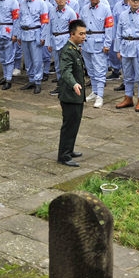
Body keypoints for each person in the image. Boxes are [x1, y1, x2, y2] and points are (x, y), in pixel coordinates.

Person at [57, 19, 88, 167]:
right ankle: (63, 155)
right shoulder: (68, 51)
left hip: (76, 94)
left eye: (84, 33)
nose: (84, 37)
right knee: (69, 124)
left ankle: (69, 149)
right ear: (72, 34)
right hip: (70, 95)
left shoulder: (75, 48)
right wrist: (74, 84)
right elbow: (66, 71)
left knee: (75, 123)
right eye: (81, 34)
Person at [80, 0, 115, 108]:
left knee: (99, 69)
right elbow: (81, 26)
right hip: (86, 41)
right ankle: (94, 91)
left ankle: (100, 95)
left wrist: (107, 44)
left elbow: (109, 28)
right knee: (90, 69)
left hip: (99, 41)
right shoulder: (84, 8)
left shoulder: (105, 9)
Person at [18, 0, 50, 93]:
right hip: (24, 33)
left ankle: (38, 82)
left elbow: (45, 21)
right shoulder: (22, 3)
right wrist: (18, 34)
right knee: (27, 60)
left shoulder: (41, 3)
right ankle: (31, 79)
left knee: (37, 60)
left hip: (36, 33)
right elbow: (18, 20)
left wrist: (43, 36)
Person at [48, 0, 79, 95]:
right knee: (57, 65)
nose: (60, 0)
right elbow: (48, 27)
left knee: (67, 65)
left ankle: (70, 85)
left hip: (65, 39)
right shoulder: (51, 11)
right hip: (54, 39)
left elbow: (74, 29)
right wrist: (48, 42)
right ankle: (60, 85)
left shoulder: (71, 12)